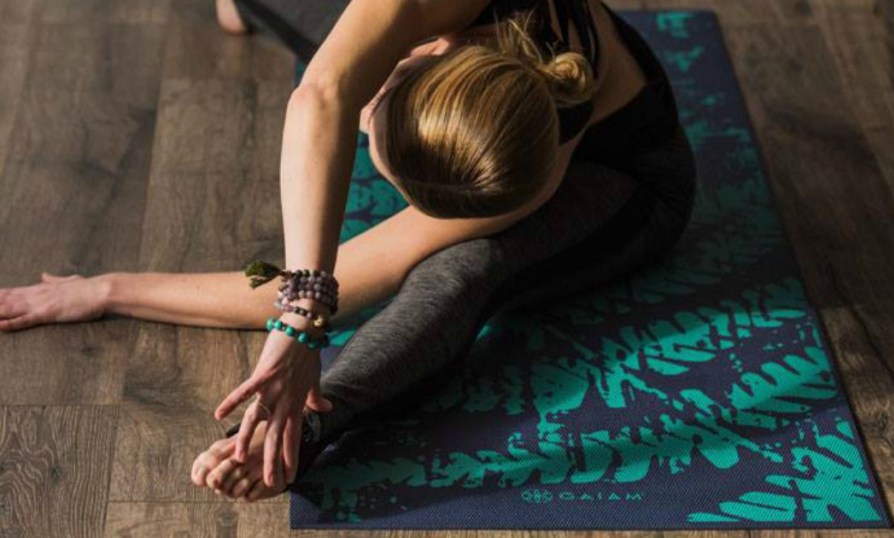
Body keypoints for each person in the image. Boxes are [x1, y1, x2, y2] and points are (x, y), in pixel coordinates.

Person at [0, 0, 697, 502]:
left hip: (629, 184)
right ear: (430, 53)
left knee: (465, 271)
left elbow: (328, 283)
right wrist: (302, 306)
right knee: (323, 62)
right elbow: (327, 95)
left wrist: (108, 289)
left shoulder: (521, 179)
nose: (363, 131)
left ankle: (312, 428)